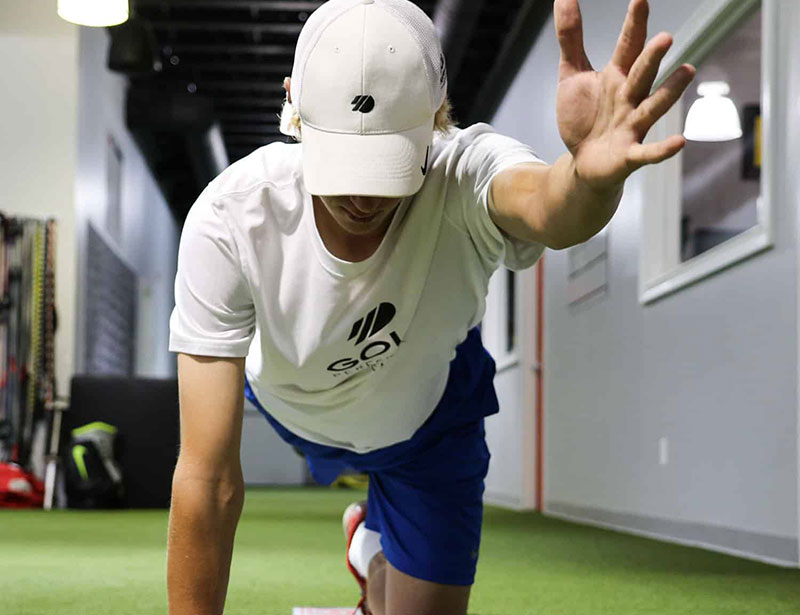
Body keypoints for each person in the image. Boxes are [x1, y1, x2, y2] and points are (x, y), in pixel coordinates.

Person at [165, 0, 695, 613]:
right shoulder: (231, 218)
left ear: (438, 116)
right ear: (294, 107)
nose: (361, 198)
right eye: (342, 162)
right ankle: (377, 537)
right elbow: (207, 479)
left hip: (429, 423)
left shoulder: (465, 172)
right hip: (299, 408)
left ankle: (373, 550)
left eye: (386, 165)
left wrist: (586, 180)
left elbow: (548, 206)